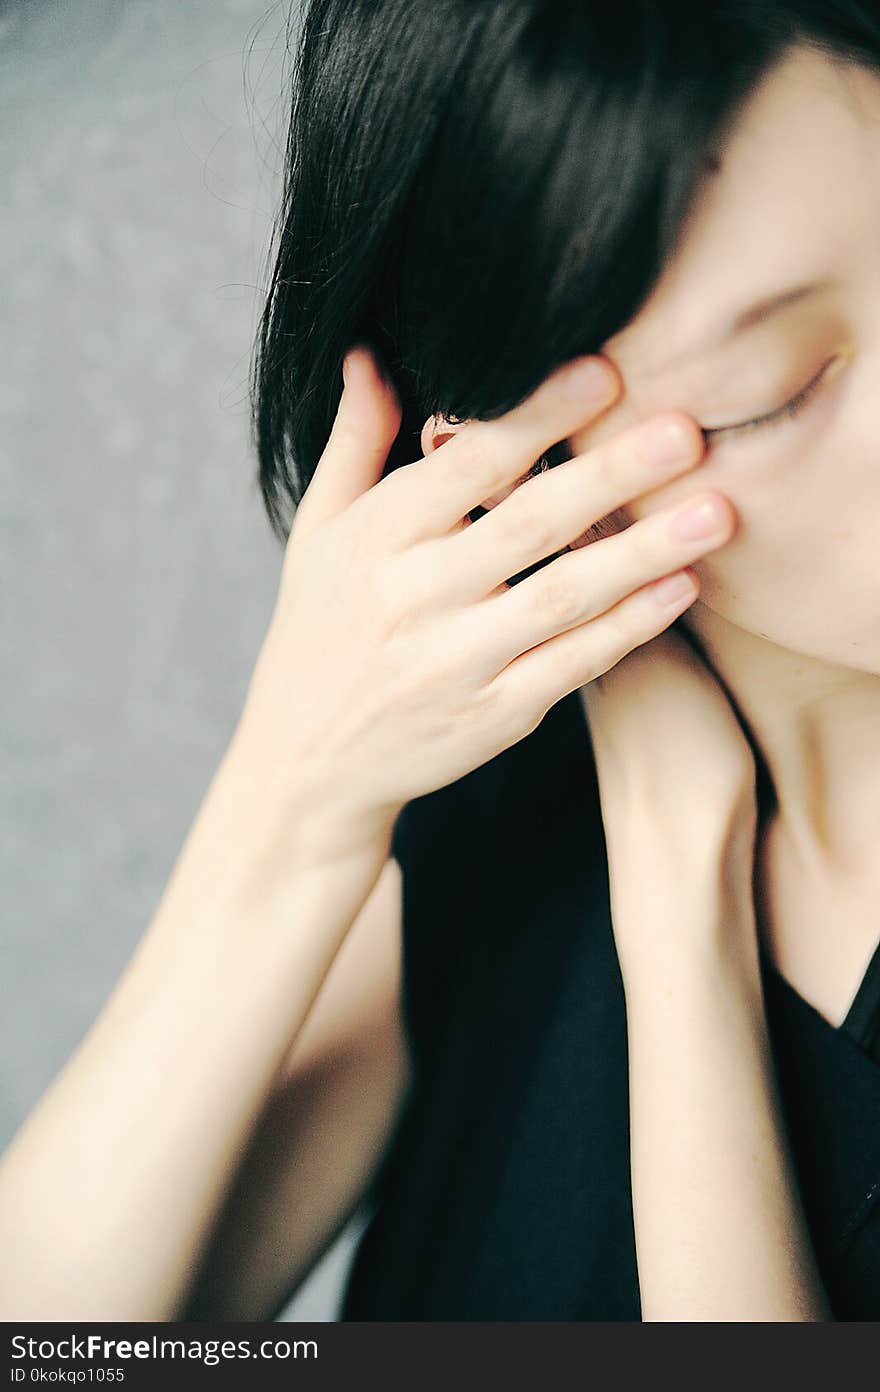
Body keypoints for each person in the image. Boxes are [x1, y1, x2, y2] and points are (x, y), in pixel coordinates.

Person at [2, 0, 880, 1321]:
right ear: (520, 459)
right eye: (776, 388)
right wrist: (291, 803)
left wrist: (686, 942)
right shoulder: (501, 807)